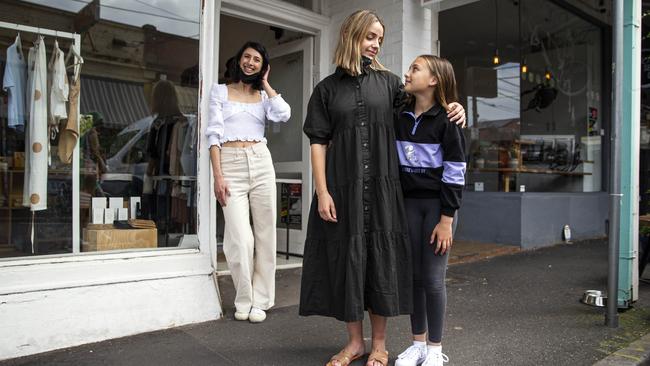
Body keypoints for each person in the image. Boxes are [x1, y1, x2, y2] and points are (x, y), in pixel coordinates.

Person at [299, 10, 465, 366]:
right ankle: (354, 342)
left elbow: (425, 108)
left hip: (387, 192)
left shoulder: (391, 84)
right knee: (348, 260)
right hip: (342, 190)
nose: (376, 45)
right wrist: (322, 191)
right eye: (370, 37)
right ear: (352, 35)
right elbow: (318, 142)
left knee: (380, 261)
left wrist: (455, 105)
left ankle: (379, 344)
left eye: (380, 39)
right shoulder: (325, 90)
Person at [206, 41, 291, 323]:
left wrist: (266, 83)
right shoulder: (219, 91)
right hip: (229, 164)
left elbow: (284, 114)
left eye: (257, 59)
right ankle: (243, 297)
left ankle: (261, 300)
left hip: (260, 161)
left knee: (266, 234)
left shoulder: (264, 98)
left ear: (262, 66)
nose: (250, 62)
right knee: (241, 238)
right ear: (239, 59)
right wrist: (218, 176)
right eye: (247, 57)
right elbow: (213, 136)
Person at [393, 55, 465, 366]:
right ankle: (417, 344)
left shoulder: (449, 119)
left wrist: (446, 220)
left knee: (434, 279)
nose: (408, 73)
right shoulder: (399, 114)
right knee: (413, 278)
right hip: (408, 206)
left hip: (438, 208)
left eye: (415, 69)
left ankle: (435, 349)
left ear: (434, 80)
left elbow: (455, 171)